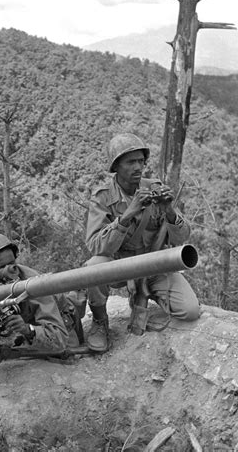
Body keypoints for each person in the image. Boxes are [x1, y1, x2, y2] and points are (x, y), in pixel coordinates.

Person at [79, 133, 200, 352]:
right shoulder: (103, 197)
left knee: (190, 311)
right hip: (119, 266)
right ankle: (99, 322)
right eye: (130, 162)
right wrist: (127, 215)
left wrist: (169, 210)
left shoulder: (155, 188)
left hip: (152, 264)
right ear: (116, 166)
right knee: (93, 267)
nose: (138, 167)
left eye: (141, 161)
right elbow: (96, 246)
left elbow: (182, 237)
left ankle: (141, 295)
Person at [0, 233, 83, 350]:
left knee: (63, 354)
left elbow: (59, 338)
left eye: (11, 264)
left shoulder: (34, 285)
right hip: (30, 320)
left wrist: (28, 329)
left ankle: (77, 297)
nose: (10, 270)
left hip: (60, 322)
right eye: (0, 268)